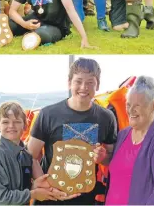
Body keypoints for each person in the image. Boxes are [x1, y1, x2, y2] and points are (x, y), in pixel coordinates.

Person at [27, 58, 117, 205]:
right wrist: (45, 185)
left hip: (86, 199)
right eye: (78, 81)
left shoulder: (107, 117)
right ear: (69, 83)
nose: (84, 87)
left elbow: (110, 157)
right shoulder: (48, 114)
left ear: (98, 85)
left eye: (90, 82)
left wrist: (102, 157)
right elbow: (30, 155)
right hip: (50, 198)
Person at [93, 76, 154, 205]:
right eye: (128, 104)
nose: (131, 110)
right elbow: (121, 170)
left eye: (137, 105)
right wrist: (104, 158)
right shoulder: (123, 135)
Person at [0, 101, 70, 204]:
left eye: (17, 122)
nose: (11, 126)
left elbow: (24, 189)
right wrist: (33, 194)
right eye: (5, 122)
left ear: (25, 126)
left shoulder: (26, 156)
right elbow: (1, 198)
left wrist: (35, 186)